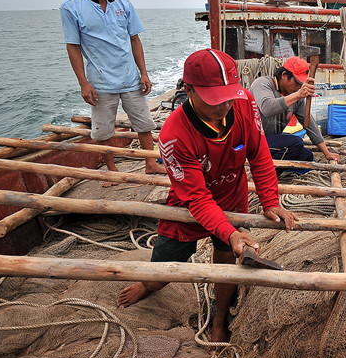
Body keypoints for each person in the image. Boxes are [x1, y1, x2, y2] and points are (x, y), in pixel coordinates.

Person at [117, 48, 298, 342]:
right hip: (188, 207)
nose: (225, 105)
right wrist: (231, 232)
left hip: (232, 199)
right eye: (215, 99)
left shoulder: (244, 102)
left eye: (229, 96)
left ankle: (219, 320)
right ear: (189, 90)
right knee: (163, 271)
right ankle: (147, 285)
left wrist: (269, 200)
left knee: (225, 267)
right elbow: (198, 199)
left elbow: (259, 153)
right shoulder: (174, 135)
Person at [61, 0, 166, 181]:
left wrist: (144, 73)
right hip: (101, 82)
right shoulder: (71, 8)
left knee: (144, 123)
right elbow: (73, 47)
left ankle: (150, 163)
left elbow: (135, 39)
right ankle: (111, 170)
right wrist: (83, 83)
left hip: (130, 78)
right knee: (103, 129)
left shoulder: (123, 4)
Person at [250, 57, 340, 166]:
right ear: (284, 75)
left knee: (307, 157)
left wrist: (327, 153)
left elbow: (310, 125)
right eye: (297, 82)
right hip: (253, 141)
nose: (298, 87)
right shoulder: (263, 84)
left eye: (301, 84)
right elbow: (267, 108)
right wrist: (298, 95)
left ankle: (280, 173)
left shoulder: (297, 98)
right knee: (296, 142)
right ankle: (265, 171)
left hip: (270, 140)